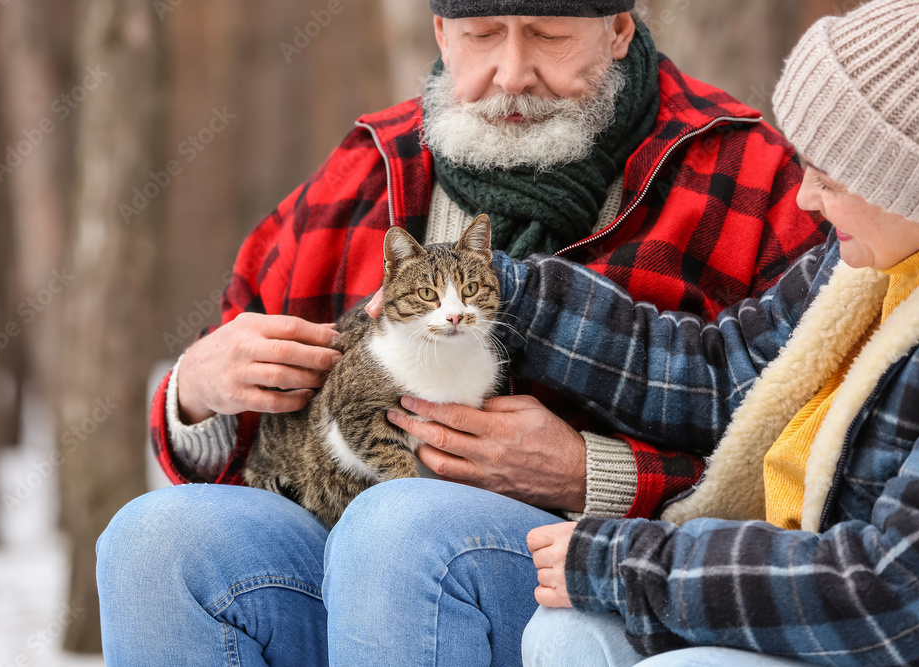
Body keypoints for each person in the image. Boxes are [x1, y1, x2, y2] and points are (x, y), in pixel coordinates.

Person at [95, 1, 826, 665]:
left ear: (618, 30)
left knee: (401, 528)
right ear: (441, 34)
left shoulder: (743, 168)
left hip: (589, 582)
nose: (511, 73)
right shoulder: (373, 162)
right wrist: (195, 392)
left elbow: (819, 464)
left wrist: (594, 473)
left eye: (548, 35)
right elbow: (239, 414)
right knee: (155, 541)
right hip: (339, 533)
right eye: (481, 36)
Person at [499, 1, 919, 664]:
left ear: (913, 187)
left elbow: (898, 591)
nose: (805, 200)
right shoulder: (867, 261)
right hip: (785, 585)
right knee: (565, 632)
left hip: (868, 627)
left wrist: (636, 565)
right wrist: (520, 297)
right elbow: (724, 369)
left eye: (831, 177)